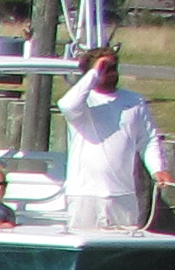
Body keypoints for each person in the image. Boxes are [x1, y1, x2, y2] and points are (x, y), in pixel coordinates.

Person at [58, 44, 165, 234]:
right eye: (105, 69)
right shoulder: (83, 102)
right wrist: (94, 73)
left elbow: (148, 140)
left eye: (113, 68)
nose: (111, 73)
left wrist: (158, 169)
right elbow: (66, 105)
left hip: (123, 195)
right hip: (85, 195)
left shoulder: (135, 101)